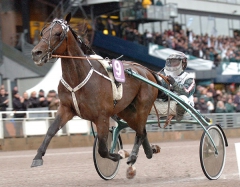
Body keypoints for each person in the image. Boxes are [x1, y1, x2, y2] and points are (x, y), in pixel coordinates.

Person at [151, 52, 196, 126]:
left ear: (183, 63)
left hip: (185, 107)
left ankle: (178, 116)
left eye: (175, 61)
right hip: (168, 103)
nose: (172, 64)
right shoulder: (166, 76)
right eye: (171, 62)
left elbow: (187, 92)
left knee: (183, 98)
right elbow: (161, 89)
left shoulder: (189, 77)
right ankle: (163, 115)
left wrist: (174, 83)